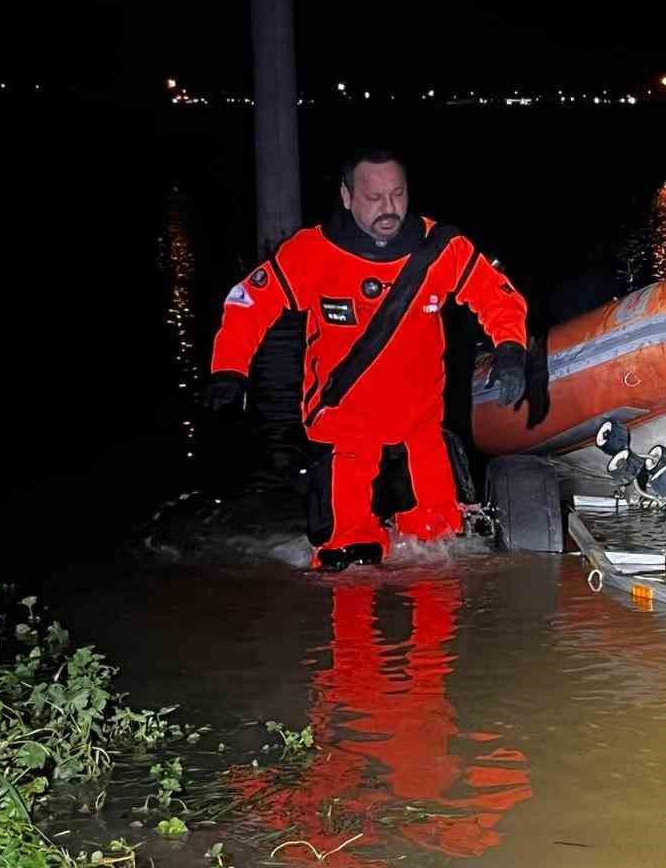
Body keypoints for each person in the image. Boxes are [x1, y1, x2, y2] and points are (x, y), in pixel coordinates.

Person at [207, 148, 529, 570]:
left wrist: (510, 347)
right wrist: (229, 369)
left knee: (442, 557)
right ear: (346, 197)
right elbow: (249, 303)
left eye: (397, 194)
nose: (388, 208)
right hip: (345, 437)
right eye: (374, 197)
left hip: (419, 436)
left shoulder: (442, 249)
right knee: (346, 564)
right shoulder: (311, 253)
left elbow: (497, 294)